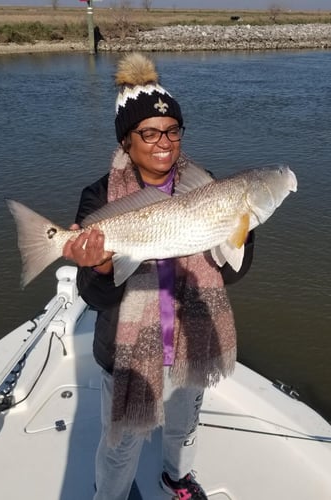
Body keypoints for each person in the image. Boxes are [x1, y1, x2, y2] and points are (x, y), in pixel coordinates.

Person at [62, 53, 254, 500]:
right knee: (120, 445)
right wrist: (101, 265)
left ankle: (176, 478)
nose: (162, 142)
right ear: (127, 141)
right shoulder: (99, 196)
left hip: (194, 340)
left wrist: (242, 227)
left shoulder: (210, 186)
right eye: (148, 133)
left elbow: (236, 273)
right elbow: (95, 296)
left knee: (184, 425)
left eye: (171, 131)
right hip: (127, 352)